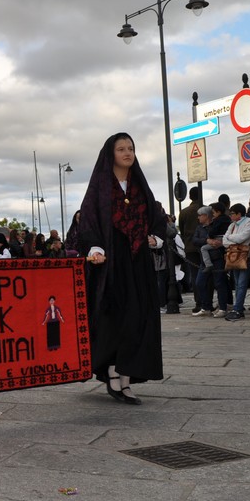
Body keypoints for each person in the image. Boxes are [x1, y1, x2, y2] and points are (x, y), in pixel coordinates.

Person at [79, 132, 164, 405]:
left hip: (138, 262)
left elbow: (156, 216)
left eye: (131, 148)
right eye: (121, 149)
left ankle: (126, 375)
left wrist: (155, 236)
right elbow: (88, 219)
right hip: (112, 263)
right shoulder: (101, 187)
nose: (127, 153)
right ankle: (114, 374)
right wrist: (95, 247)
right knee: (115, 317)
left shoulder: (139, 185)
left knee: (138, 316)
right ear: (111, 154)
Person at [221, 204, 250, 321]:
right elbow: (224, 241)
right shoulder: (232, 225)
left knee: (242, 283)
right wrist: (233, 239)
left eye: (232, 213)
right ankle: (238, 306)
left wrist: (231, 238)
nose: (230, 216)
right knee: (237, 283)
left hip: (245, 256)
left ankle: (238, 309)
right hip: (234, 255)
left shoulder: (249, 222)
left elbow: (244, 237)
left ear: (239, 214)